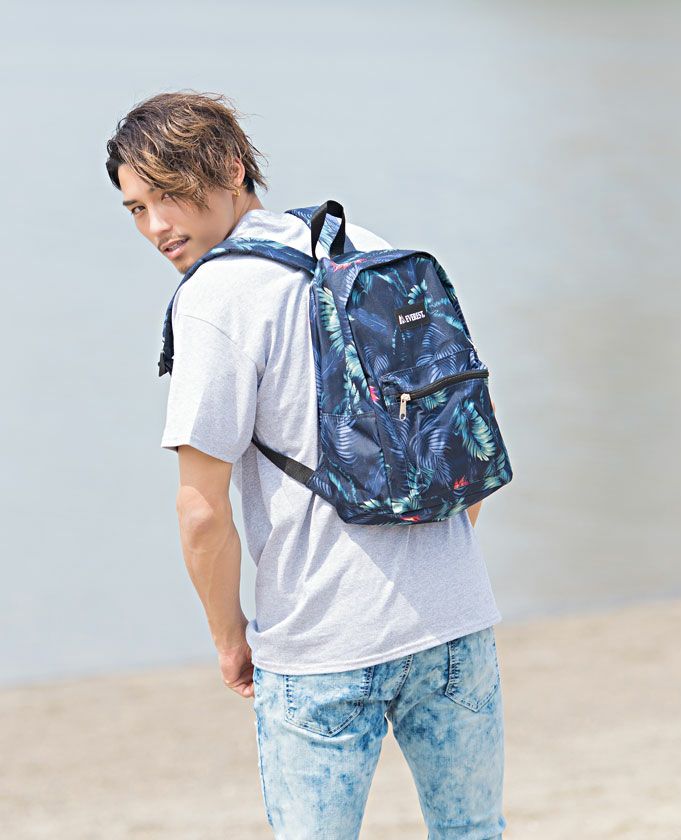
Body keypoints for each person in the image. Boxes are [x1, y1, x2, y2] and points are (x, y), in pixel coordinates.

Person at [105, 90, 507, 839]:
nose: (157, 226)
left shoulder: (214, 298)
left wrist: (230, 640)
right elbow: (459, 432)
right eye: (136, 208)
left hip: (323, 644)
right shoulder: (364, 245)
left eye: (170, 194)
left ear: (232, 168)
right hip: (456, 622)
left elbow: (201, 511)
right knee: (473, 832)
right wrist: (434, 563)